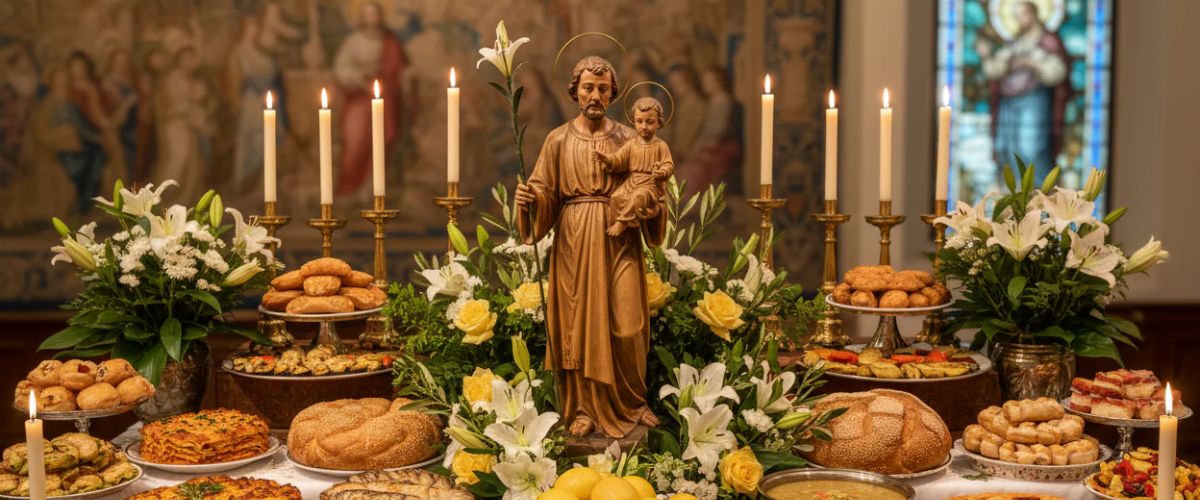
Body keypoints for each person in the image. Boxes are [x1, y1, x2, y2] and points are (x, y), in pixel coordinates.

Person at [515, 56, 665, 438]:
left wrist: (650, 200)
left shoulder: (632, 138)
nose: (595, 95)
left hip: (620, 237)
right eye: (587, 87)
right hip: (575, 241)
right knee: (578, 326)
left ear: (613, 92)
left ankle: (633, 402)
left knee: (629, 325)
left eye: (602, 88)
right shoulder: (558, 139)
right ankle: (582, 409)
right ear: (575, 91)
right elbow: (545, 192)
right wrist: (530, 200)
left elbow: (652, 186)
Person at [976, 0, 1069, 184]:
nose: (1019, 20)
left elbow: (1058, 72)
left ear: (1034, 13)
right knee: (1008, 150)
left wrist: (1032, 62)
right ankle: (1015, 202)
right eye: (1016, 17)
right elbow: (995, 70)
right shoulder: (1015, 43)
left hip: (1034, 103)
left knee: (1030, 150)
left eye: (1022, 15)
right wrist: (986, 56)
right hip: (1009, 104)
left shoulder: (1047, 41)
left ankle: (1040, 203)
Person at [332, 0, 406, 197]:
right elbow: (341, 68)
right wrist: (360, 77)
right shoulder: (354, 41)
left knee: (382, 137)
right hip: (359, 97)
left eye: (375, 14)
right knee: (355, 138)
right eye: (367, 14)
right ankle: (351, 188)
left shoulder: (389, 41)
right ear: (362, 17)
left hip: (384, 98)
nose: (372, 18)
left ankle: (372, 187)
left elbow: (398, 69)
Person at [592, 97, 673, 236]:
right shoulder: (631, 144)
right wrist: (606, 159)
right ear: (633, 121)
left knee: (639, 197)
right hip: (632, 182)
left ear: (659, 122)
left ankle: (622, 223)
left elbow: (668, 165)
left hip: (650, 185)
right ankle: (627, 225)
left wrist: (661, 172)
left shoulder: (661, 145)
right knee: (616, 197)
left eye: (650, 122)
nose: (644, 126)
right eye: (639, 121)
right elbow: (618, 159)